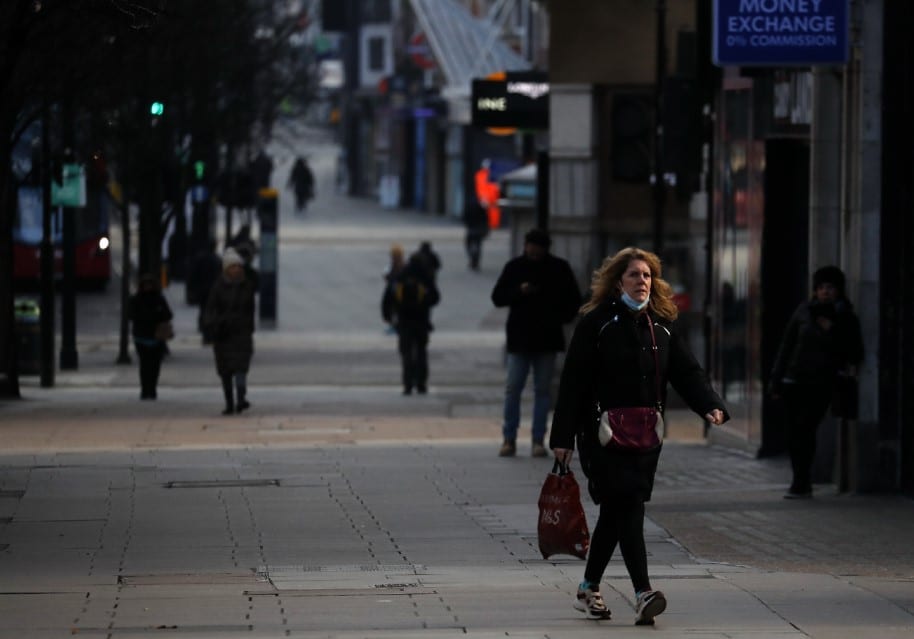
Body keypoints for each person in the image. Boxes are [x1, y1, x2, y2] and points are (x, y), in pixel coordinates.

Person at [549, 246, 729, 625]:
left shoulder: (660, 324)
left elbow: (686, 371)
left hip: (646, 437)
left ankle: (588, 587)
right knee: (627, 505)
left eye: (647, 276)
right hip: (602, 435)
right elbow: (573, 383)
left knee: (619, 510)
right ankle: (643, 591)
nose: (642, 282)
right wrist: (562, 437)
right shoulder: (596, 323)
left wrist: (709, 404)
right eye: (634, 275)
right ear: (618, 282)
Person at [769, 265, 863, 499]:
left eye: (830, 288)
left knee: (806, 429)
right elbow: (786, 346)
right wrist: (776, 379)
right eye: (821, 288)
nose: (825, 292)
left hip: (821, 384)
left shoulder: (845, 316)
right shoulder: (804, 311)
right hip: (793, 380)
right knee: (793, 433)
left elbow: (855, 353)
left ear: (838, 290)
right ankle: (799, 480)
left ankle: (803, 481)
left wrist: (833, 331)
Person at [491, 229, 582, 457]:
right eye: (530, 245)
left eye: (537, 246)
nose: (532, 250)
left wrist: (558, 316)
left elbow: (573, 301)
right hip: (520, 339)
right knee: (513, 388)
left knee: (542, 391)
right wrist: (518, 292)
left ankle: (537, 439)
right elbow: (498, 297)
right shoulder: (515, 267)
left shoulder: (558, 268)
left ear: (545, 248)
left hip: (547, 339)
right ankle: (509, 438)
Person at [203, 248, 257, 415]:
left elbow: (250, 309)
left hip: (241, 334)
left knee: (241, 368)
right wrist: (213, 326)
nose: (237, 269)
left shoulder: (247, 286)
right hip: (224, 335)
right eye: (233, 266)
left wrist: (248, 328)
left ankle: (241, 399)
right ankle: (229, 403)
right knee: (226, 371)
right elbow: (210, 309)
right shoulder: (218, 286)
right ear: (226, 269)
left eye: (239, 266)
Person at [382, 253, 440, 395]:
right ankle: (421, 384)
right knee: (421, 352)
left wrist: (388, 315)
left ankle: (407, 385)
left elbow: (388, 297)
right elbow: (436, 297)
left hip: (404, 321)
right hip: (421, 321)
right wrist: (425, 305)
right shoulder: (425, 277)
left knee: (406, 354)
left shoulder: (401, 275)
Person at [127, 273, 173, 400]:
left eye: (149, 285)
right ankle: (146, 389)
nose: (147, 288)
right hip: (143, 337)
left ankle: (151, 389)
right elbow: (131, 315)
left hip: (154, 337)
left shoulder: (158, 299)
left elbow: (168, 315)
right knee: (146, 365)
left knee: (153, 365)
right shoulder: (138, 299)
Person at [188, 239, 223, 343]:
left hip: (202, 290)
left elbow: (193, 275)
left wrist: (192, 289)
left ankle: (205, 331)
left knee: (203, 310)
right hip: (213, 290)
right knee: (211, 312)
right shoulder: (216, 259)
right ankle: (209, 333)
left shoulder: (200, 259)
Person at [474, 158, 501, 230]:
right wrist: (483, 197)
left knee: (494, 211)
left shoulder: (492, 173)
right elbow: (480, 187)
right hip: (486, 196)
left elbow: (495, 186)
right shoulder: (480, 175)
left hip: (493, 196)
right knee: (486, 213)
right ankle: (486, 226)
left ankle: (493, 226)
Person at [463, 197, 488, 271]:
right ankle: (475, 260)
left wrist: (467, 224)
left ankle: (473, 258)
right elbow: (485, 219)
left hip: (471, 229)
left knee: (468, 244)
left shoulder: (469, 207)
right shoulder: (481, 208)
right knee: (478, 245)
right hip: (479, 229)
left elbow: (465, 217)